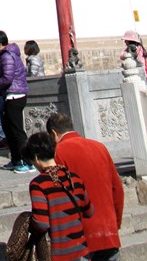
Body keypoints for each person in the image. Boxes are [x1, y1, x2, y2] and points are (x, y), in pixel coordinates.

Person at [46, 112, 124, 261]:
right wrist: (115, 225)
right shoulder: (100, 147)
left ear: (54, 133)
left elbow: (58, 199)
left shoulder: (59, 153)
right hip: (108, 232)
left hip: (79, 237)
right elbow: (117, 190)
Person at [23, 131, 93, 261]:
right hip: (82, 251)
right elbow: (89, 211)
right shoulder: (75, 178)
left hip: (59, 254)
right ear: (54, 153)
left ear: (36, 158)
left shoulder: (39, 184)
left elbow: (42, 223)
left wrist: (28, 222)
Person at [0, 29, 32, 172]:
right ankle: (16, 159)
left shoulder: (7, 56)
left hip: (15, 95)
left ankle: (28, 161)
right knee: (9, 130)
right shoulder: (6, 55)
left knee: (17, 131)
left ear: (0, 44)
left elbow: (8, 77)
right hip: (12, 94)